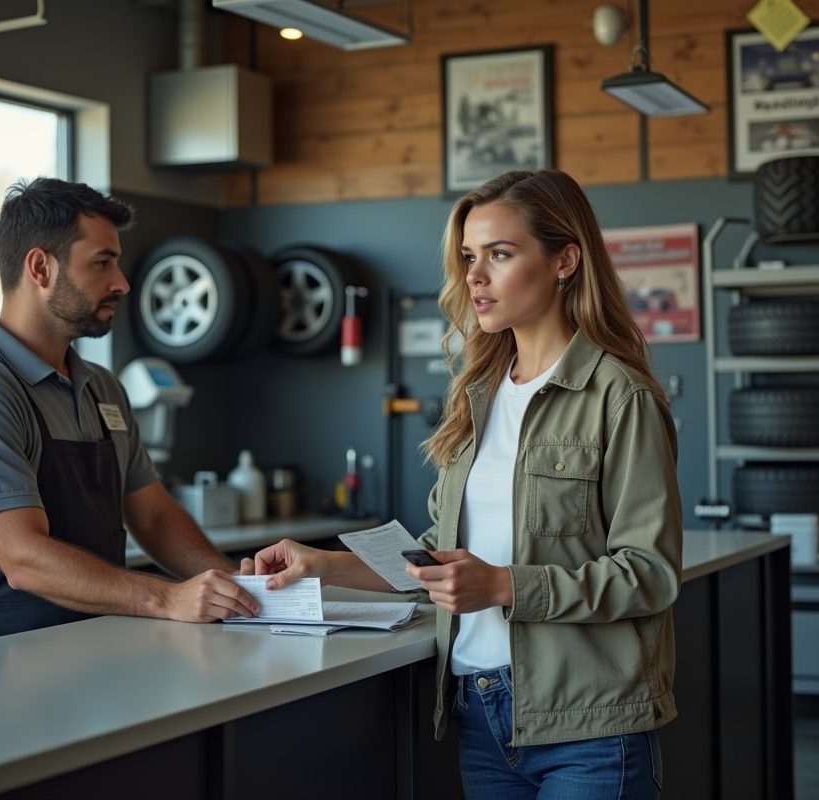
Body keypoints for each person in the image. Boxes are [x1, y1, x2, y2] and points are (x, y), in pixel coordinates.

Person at [254, 169, 683, 798]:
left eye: (500, 255)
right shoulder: (475, 397)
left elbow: (650, 573)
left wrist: (504, 586)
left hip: (591, 723)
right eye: (468, 258)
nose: (475, 277)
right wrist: (320, 565)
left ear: (565, 260)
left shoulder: (620, 398)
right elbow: (439, 560)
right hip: (479, 714)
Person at [0, 177, 259, 645]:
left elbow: (154, 517)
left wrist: (237, 590)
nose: (121, 283)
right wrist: (167, 599)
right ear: (40, 268)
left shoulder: (103, 388)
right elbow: (24, 557)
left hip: (98, 639)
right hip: (0, 654)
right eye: (102, 263)